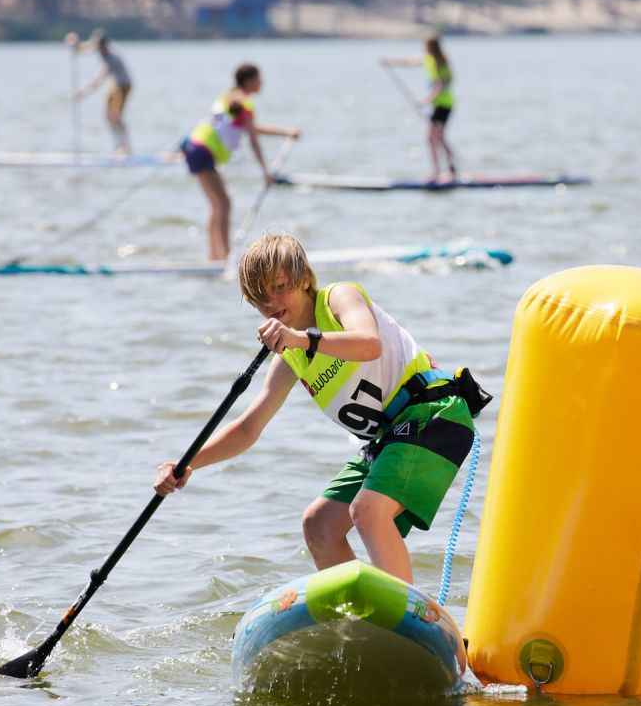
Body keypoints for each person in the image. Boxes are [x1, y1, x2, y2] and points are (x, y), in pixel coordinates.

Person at [154, 233, 486, 585]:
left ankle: (403, 619)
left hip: (433, 415)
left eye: (279, 287)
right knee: (319, 526)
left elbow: (369, 344)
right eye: (259, 299)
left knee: (367, 512)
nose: (271, 303)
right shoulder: (290, 359)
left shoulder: (339, 297)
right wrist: (189, 463)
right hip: (390, 438)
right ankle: (361, 618)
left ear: (305, 280)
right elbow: (249, 427)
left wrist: (301, 338)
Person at [181, 64, 300, 263]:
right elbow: (253, 139)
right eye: (259, 79)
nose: (262, 83)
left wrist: (285, 132)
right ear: (249, 81)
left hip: (195, 147)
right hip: (203, 150)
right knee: (224, 203)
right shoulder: (244, 103)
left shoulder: (227, 96)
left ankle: (215, 256)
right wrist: (265, 171)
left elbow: (251, 129)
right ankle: (226, 256)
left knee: (217, 204)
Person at [382, 34, 457, 183]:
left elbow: (439, 87)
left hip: (444, 105)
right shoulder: (428, 58)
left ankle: (443, 171)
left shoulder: (440, 63)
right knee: (436, 138)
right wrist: (390, 61)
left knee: (434, 138)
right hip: (438, 105)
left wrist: (422, 101)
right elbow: (410, 61)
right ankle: (443, 170)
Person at [67, 29, 133, 155]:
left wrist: (82, 92)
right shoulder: (99, 46)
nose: (98, 50)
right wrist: (73, 43)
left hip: (124, 84)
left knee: (116, 116)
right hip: (115, 84)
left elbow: (99, 79)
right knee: (108, 117)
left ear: (105, 46)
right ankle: (117, 146)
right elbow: (81, 49)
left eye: (100, 47)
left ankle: (126, 147)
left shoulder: (112, 57)